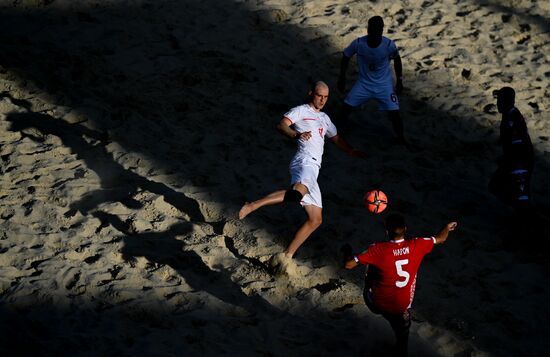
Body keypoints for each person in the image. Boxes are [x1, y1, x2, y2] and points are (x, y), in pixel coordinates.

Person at [239, 81, 366, 260]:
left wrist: (351, 151)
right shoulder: (301, 111)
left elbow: (336, 138)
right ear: (311, 94)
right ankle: (253, 205)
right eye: (319, 96)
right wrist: (296, 134)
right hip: (304, 162)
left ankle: (287, 255)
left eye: (325, 97)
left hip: (314, 169)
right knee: (296, 194)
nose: (322, 100)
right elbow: (282, 125)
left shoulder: (325, 118)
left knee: (316, 219)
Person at [342, 214, 458, 356]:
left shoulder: (377, 249)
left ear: (386, 231)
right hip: (400, 308)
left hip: (376, 303)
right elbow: (441, 238)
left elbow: (348, 265)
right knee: (403, 342)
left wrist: (347, 252)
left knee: (371, 263)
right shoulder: (418, 244)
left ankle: (370, 287)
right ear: (405, 229)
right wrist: (446, 227)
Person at [337, 15, 406, 144]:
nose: (372, 32)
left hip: (384, 86)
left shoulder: (389, 45)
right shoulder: (358, 43)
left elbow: (397, 59)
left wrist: (400, 80)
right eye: (370, 29)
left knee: (395, 114)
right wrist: (341, 78)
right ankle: (335, 134)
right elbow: (346, 56)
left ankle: (401, 139)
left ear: (381, 31)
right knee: (345, 109)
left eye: (375, 30)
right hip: (364, 84)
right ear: (368, 29)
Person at [489, 86, 534, 213]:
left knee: (518, 197)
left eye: (500, 100)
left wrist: (508, 160)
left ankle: (525, 218)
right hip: (518, 160)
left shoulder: (511, 118)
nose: (497, 103)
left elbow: (518, 146)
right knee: (498, 187)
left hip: (519, 162)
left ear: (506, 102)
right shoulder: (511, 114)